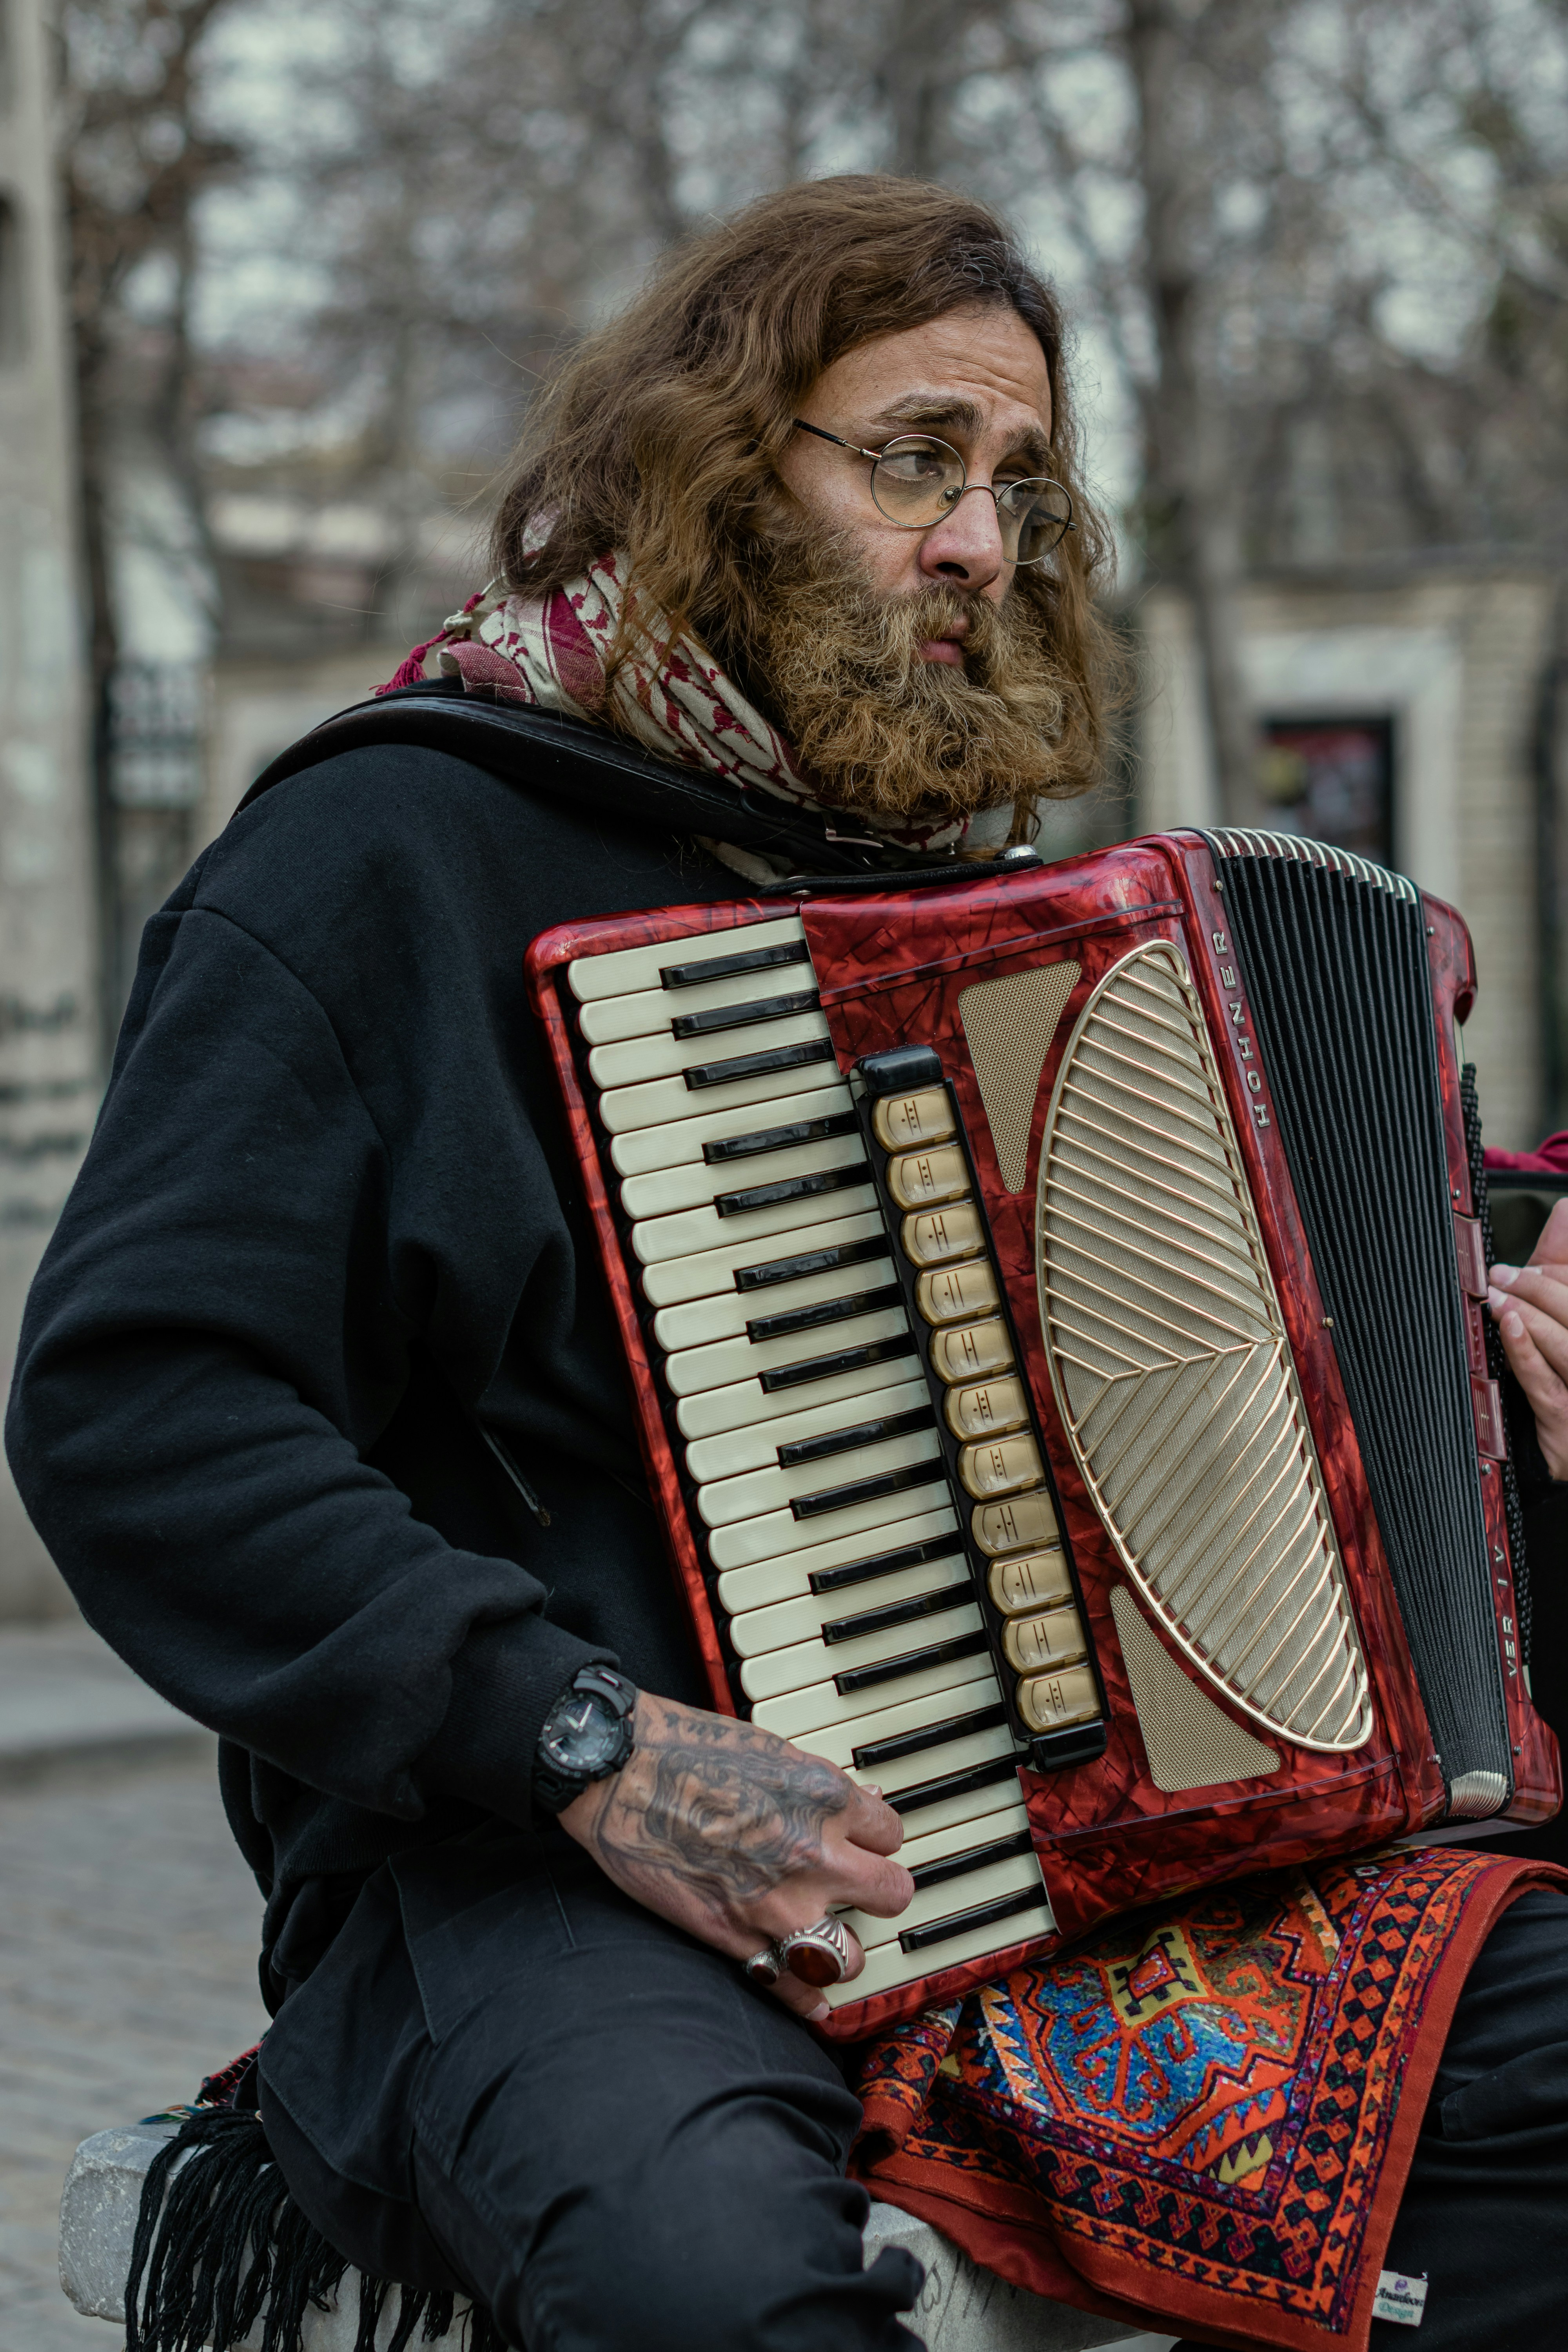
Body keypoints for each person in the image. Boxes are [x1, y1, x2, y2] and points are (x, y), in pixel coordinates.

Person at [7, 176, 1566, 2352]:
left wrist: (1508, 1333)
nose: (978, 545)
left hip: (1099, 1886)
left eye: (1018, 483)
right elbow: (136, 1400)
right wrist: (578, 1740)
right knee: (718, 2293)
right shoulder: (389, 855)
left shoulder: (997, 914)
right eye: (917, 458)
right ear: (720, 471)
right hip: (553, 1874)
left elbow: (1253, 1357)